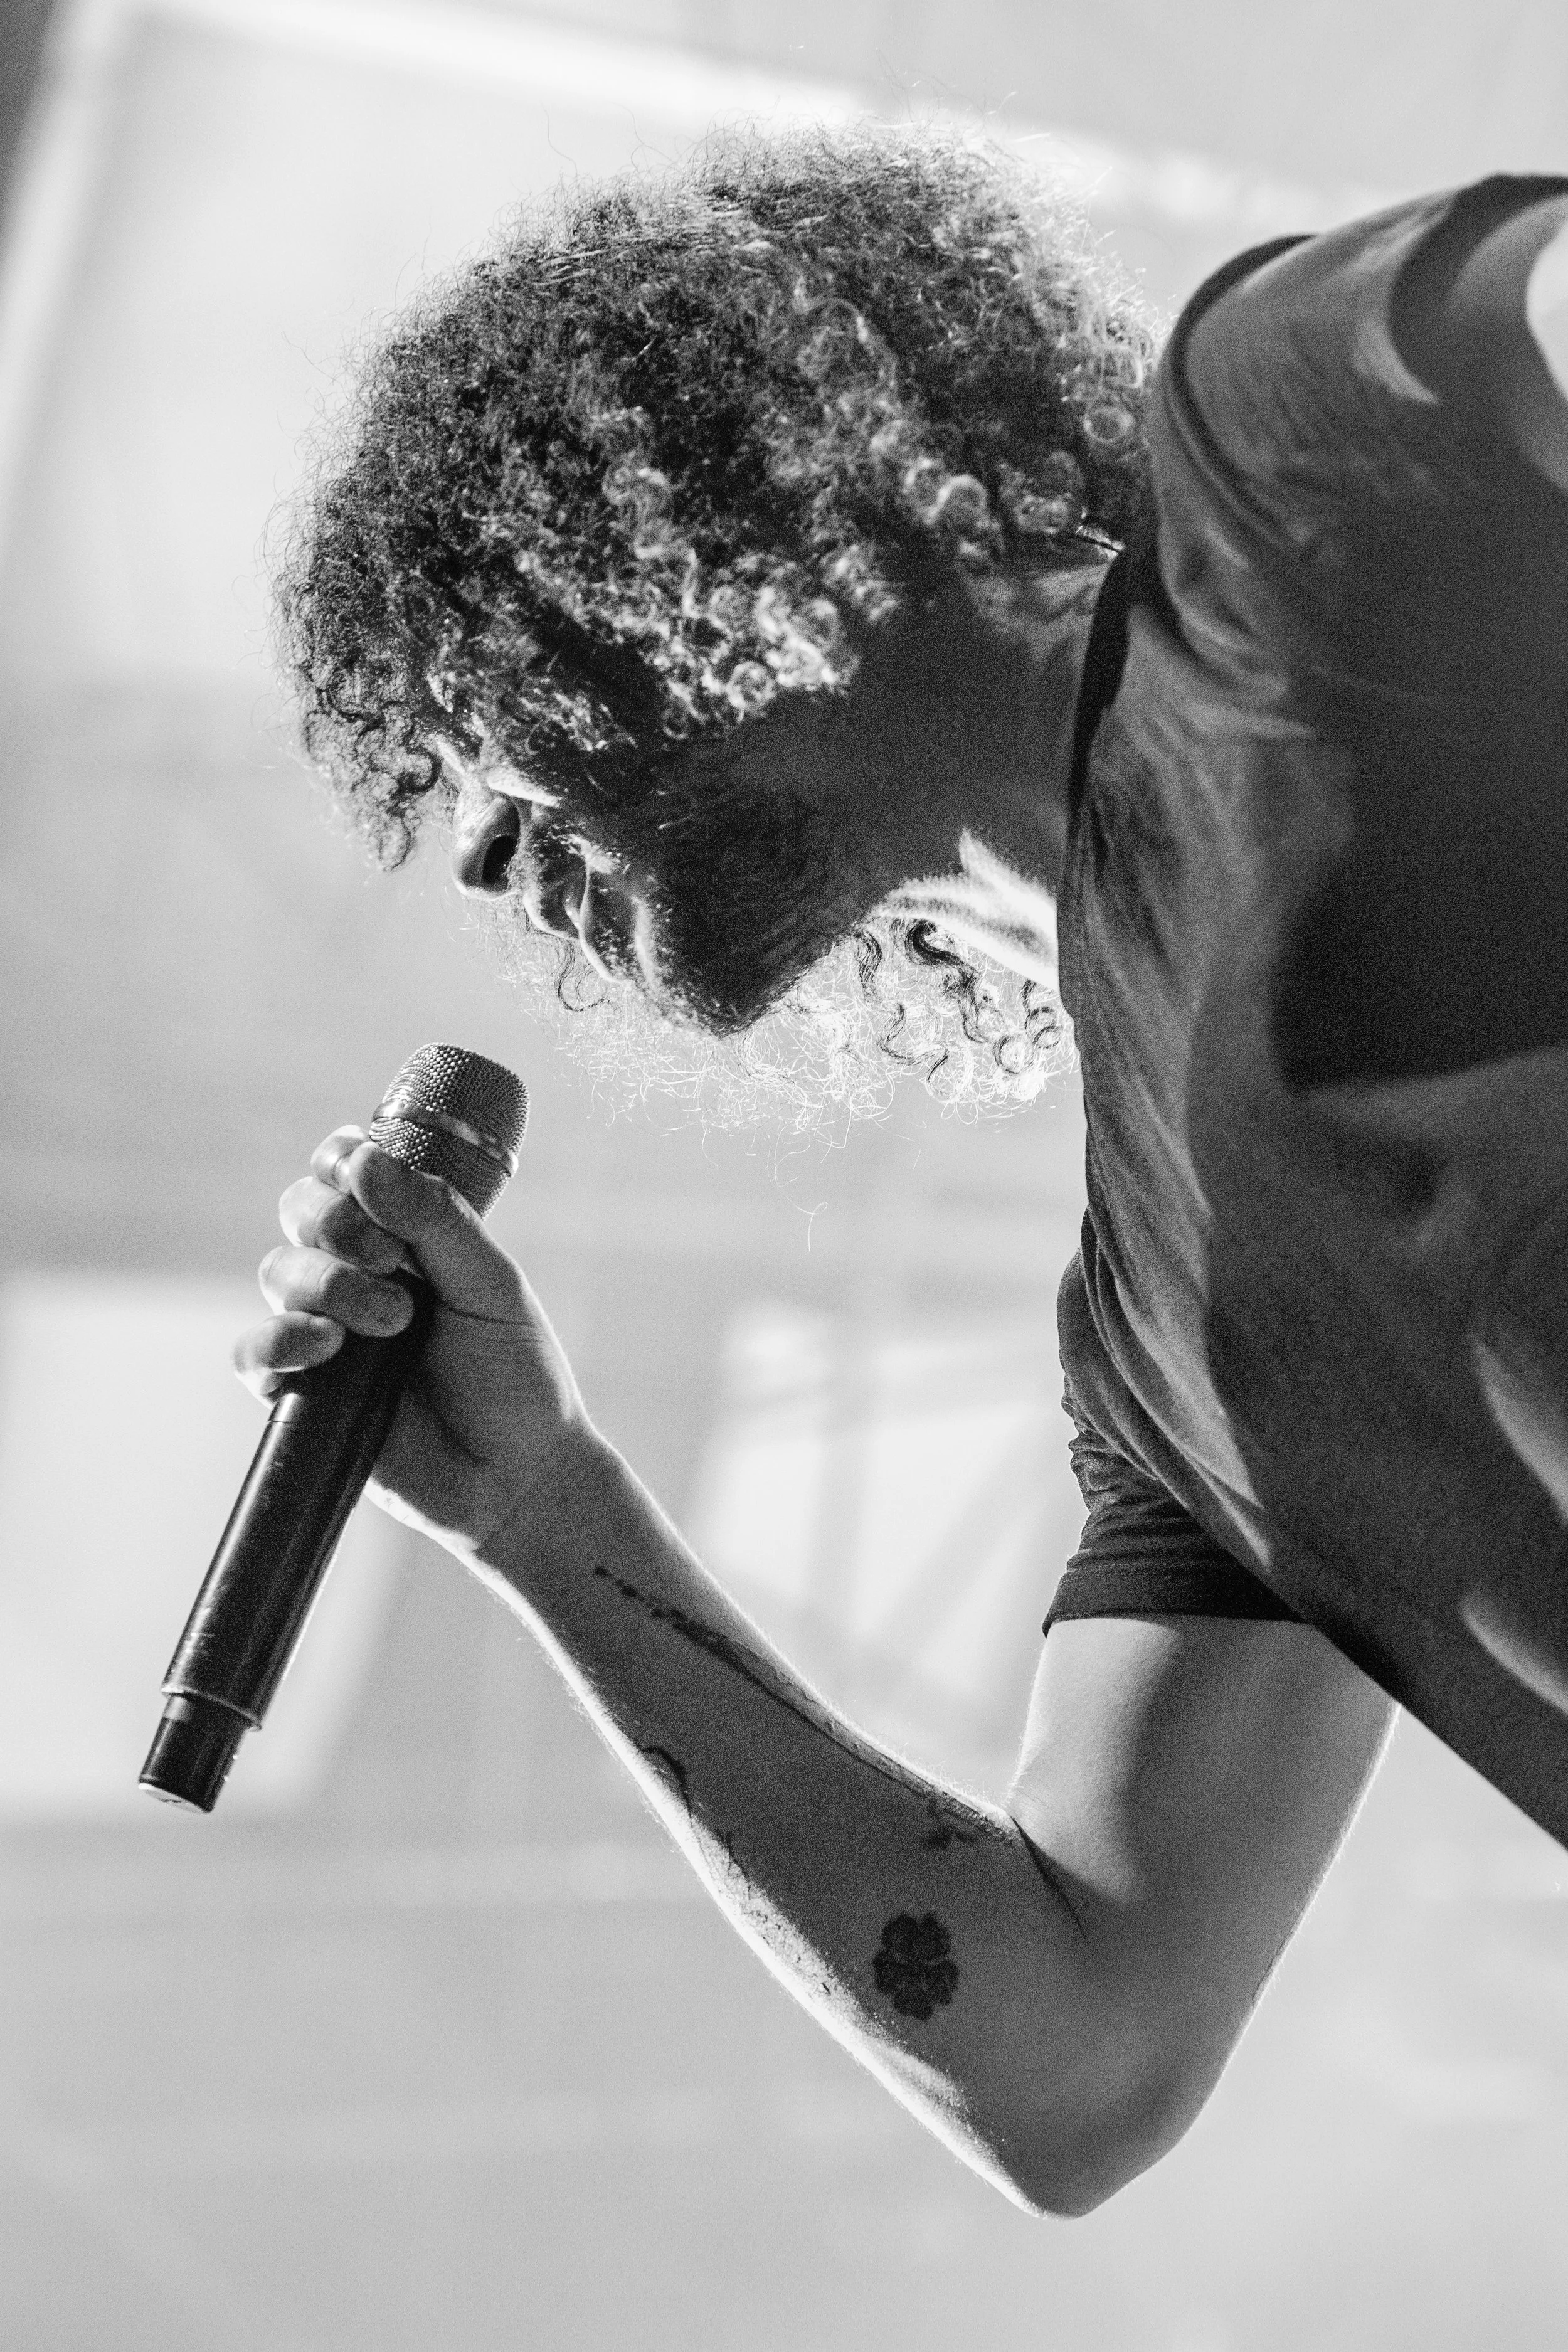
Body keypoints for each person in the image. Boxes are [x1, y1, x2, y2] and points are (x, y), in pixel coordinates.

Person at [237, 127, 1568, 2215]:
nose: (487, 847)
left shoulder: (1278, 461)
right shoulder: (1157, 1363)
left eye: (476, 697)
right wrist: (536, 1506)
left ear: (660, 525)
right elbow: (1078, 2051)